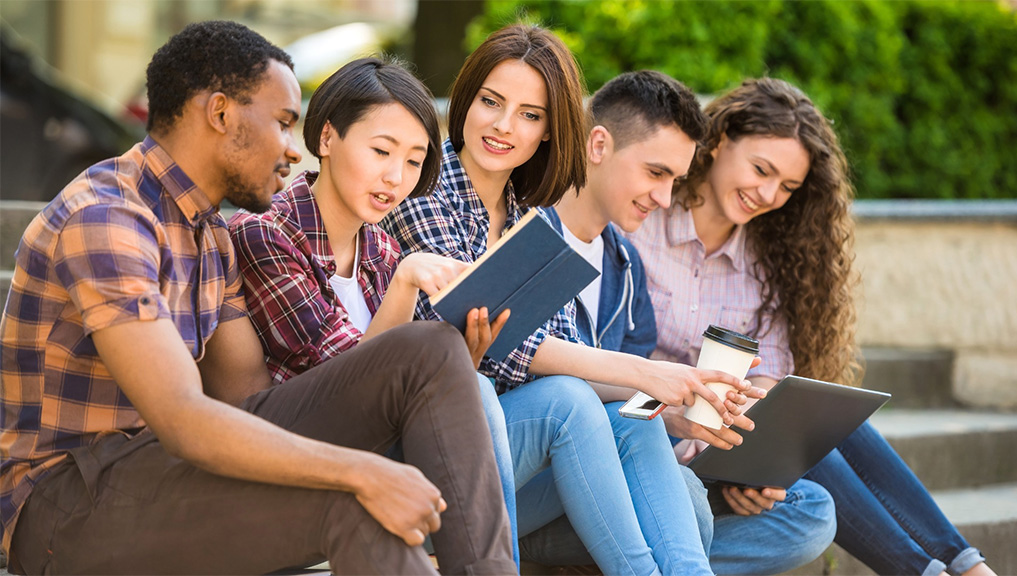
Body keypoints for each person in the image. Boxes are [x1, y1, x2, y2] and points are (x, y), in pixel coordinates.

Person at [0, 21, 515, 576]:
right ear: (221, 114)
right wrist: (361, 471)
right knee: (354, 502)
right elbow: (181, 416)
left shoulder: (210, 234)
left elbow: (250, 400)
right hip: (66, 504)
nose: (294, 151)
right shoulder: (108, 219)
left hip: (164, 474)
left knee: (429, 350)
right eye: (284, 123)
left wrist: (412, 392)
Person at [383, 23, 761, 576]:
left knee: (636, 422)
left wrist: (675, 395)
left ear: (548, 131)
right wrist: (645, 374)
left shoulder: (528, 218)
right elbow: (507, 346)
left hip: (512, 455)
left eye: (530, 115)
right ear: (465, 100)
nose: (504, 126)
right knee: (569, 401)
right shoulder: (424, 190)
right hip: (431, 449)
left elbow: (564, 351)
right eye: (491, 102)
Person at [627, 76, 996, 576]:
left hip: (722, 442)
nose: (767, 194)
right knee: (812, 474)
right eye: (762, 169)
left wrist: (762, 460)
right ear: (718, 141)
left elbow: (767, 379)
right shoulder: (641, 218)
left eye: (787, 187)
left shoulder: (767, 263)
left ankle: (965, 566)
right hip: (650, 428)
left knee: (823, 426)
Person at [514, 70, 836, 575]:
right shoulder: (531, 231)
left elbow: (628, 403)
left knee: (810, 510)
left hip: (607, 458)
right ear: (598, 144)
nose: (665, 199)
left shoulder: (623, 265)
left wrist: (673, 417)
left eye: (674, 181)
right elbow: (520, 368)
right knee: (680, 493)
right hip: (528, 469)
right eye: (656, 174)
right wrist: (652, 384)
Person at [227, 56, 520, 567]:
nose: (395, 177)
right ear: (327, 140)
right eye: (382, 151)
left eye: (413, 161)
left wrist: (462, 355)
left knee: (543, 401)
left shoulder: (381, 250)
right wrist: (408, 283)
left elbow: (407, 388)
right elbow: (345, 387)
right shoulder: (264, 235)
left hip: (386, 452)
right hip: (304, 461)